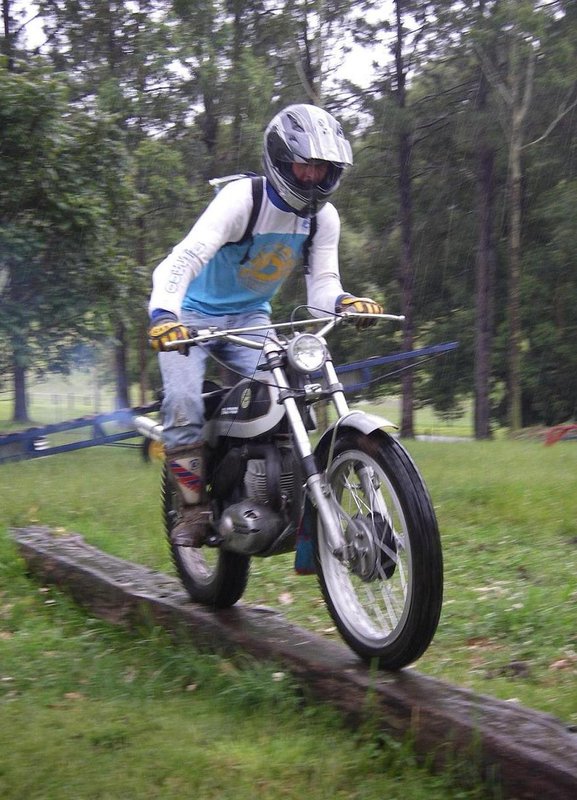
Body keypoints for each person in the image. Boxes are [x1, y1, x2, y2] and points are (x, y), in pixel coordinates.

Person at [148, 103, 383, 547]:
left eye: (324, 168)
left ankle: (279, 487)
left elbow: (323, 288)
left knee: (287, 392)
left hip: (252, 318)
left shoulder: (322, 218)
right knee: (182, 400)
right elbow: (183, 259)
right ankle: (193, 510)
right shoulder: (243, 199)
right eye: (305, 165)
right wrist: (165, 315)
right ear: (279, 160)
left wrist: (344, 302)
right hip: (191, 317)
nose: (314, 177)